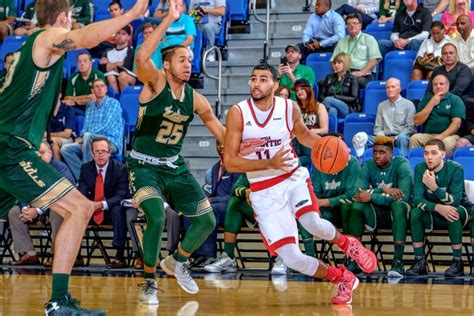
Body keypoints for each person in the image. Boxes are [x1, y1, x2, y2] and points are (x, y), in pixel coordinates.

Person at [0, 0, 148, 313]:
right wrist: (133, 14)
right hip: (9, 148)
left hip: (13, 144)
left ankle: (60, 300)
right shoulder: (47, 38)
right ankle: (58, 301)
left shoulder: (32, 47)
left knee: (75, 209)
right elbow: (85, 39)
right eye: (71, 19)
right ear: (65, 17)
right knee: (80, 208)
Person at [224, 62, 378, 305]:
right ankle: (342, 278)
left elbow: (304, 135)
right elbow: (230, 162)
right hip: (263, 191)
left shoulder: (288, 107)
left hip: (291, 178)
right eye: (253, 78)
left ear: (275, 85)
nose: (256, 83)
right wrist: (268, 164)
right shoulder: (237, 112)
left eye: (263, 79)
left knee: (312, 222)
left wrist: (330, 147)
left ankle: (349, 245)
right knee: (292, 258)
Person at [129, 0, 230, 304]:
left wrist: (240, 146)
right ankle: (149, 280)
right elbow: (141, 55)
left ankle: (177, 260)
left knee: (207, 221)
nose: (188, 63)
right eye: (182, 59)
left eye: (190, 59)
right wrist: (169, 20)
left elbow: (220, 132)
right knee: (156, 218)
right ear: (167, 64)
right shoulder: (154, 83)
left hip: (174, 166)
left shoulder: (196, 99)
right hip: (144, 166)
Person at [407, 139, 472, 277]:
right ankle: (420, 261)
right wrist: (437, 207)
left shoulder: (456, 169)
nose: (429, 157)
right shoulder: (420, 168)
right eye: (426, 153)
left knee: (452, 212)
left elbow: (455, 201)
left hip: (461, 209)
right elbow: (417, 199)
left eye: (433, 153)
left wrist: (434, 187)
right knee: (415, 212)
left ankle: (457, 262)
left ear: (443, 155)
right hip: (433, 211)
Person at [349, 136, 412, 277]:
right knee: (357, 205)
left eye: (382, 152)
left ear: (391, 153)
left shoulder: (402, 164)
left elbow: (404, 196)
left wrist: (371, 195)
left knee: (398, 205)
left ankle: (398, 261)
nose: (377, 155)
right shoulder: (368, 165)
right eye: (375, 152)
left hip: (397, 214)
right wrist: (382, 190)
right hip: (375, 212)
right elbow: (356, 193)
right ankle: (354, 258)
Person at [8, 141, 74, 266]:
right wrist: (25, 208)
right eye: (35, 154)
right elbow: (22, 190)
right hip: (36, 209)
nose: (39, 156)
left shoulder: (61, 168)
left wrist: (38, 210)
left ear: (50, 153)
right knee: (14, 212)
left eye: (42, 153)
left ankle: (57, 253)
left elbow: (61, 195)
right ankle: (29, 253)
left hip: (56, 209)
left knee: (57, 211)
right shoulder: (30, 168)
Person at [78, 137, 131, 269]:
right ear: (92, 153)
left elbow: (122, 194)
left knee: (118, 210)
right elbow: (82, 192)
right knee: (77, 212)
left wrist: (102, 204)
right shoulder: (85, 168)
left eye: (103, 151)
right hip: (92, 208)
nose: (100, 155)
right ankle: (76, 256)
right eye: (97, 152)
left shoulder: (120, 169)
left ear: (109, 153)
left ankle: (119, 256)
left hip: (110, 209)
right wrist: (90, 205)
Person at [61, 79, 124, 180]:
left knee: (88, 136)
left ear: (106, 89)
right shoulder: (90, 107)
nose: (100, 88)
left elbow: (106, 125)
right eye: (97, 86)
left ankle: (88, 180)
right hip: (89, 141)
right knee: (65, 149)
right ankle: (83, 177)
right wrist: (82, 137)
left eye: (102, 86)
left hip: (110, 142)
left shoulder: (113, 103)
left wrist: (86, 137)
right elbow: (85, 127)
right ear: (92, 90)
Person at [311, 134, 361, 234]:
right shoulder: (319, 164)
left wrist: (324, 201)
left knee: (346, 206)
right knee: (306, 213)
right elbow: (316, 193)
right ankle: (309, 249)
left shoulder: (353, 164)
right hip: (328, 211)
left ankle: (350, 245)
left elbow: (352, 195)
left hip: (347, 210)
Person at [410, 74, 465, 154]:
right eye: (435, 84)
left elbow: (456, 123)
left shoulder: (455, 100)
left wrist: (440, 137)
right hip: (429, 135)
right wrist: (431, 104)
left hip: (449, 136)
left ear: (448, 85)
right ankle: (418, 165)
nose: (438, 86)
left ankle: (445, 165)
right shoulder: (426, 100)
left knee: (446, 143)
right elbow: (417, 122)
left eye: (441, 84)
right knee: (414, 138)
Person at [331, 13, 382, 88]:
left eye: (355, 23)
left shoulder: (369, 39)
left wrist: (362, 72)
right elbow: (333, 61)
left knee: (351, 81)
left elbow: (374, 60)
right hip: (344, 73)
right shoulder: (342, 41)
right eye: (349, 24)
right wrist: (338, 71)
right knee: (323, 83)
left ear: (360, 25)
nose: (352, 26)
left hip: (364, 75)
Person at [372, 78, 416, 157]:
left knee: (402, 138)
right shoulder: (381, 106)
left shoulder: (409, 105)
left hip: (400, 137)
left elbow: (410, 128)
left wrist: (395, 138)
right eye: (387, 87)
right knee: (362, 137)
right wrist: (384, 138)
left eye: (392, 87)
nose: (389, 89)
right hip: (384, 137)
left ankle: (403, 162)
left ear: (399, 89)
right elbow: (378, 128)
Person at [318, 52, 360, 119]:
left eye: (339, 63)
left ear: (346, 63)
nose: (336, 65)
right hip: (329, 105)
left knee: (329, 100)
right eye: (334, 63)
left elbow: (354, 98)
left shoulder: (352, 78)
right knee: (332, 111)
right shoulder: (329, 77)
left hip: (346, 107)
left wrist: (335, 97)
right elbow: (321, 95)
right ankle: (332, 128)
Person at [99, 25, 135, 93]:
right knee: (110, 76)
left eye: (123, 34)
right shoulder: (108, 51)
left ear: (129, 37)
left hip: (125, 77)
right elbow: (102, 68)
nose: (120, 36)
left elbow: (126, 67)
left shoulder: (130, 51)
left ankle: (125, 99)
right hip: (110, 77)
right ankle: (116, 100)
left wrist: (109, 65)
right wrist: (117, 64)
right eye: (118, 33)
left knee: (120, 76)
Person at [48, 93, 76, 160]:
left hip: (67, 138)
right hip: (48, 137)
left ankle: (59, 169)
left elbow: (67, 134)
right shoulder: (46, 110)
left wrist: (49, 135)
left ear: (60, 95)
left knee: (53, 141)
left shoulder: (68, 109)